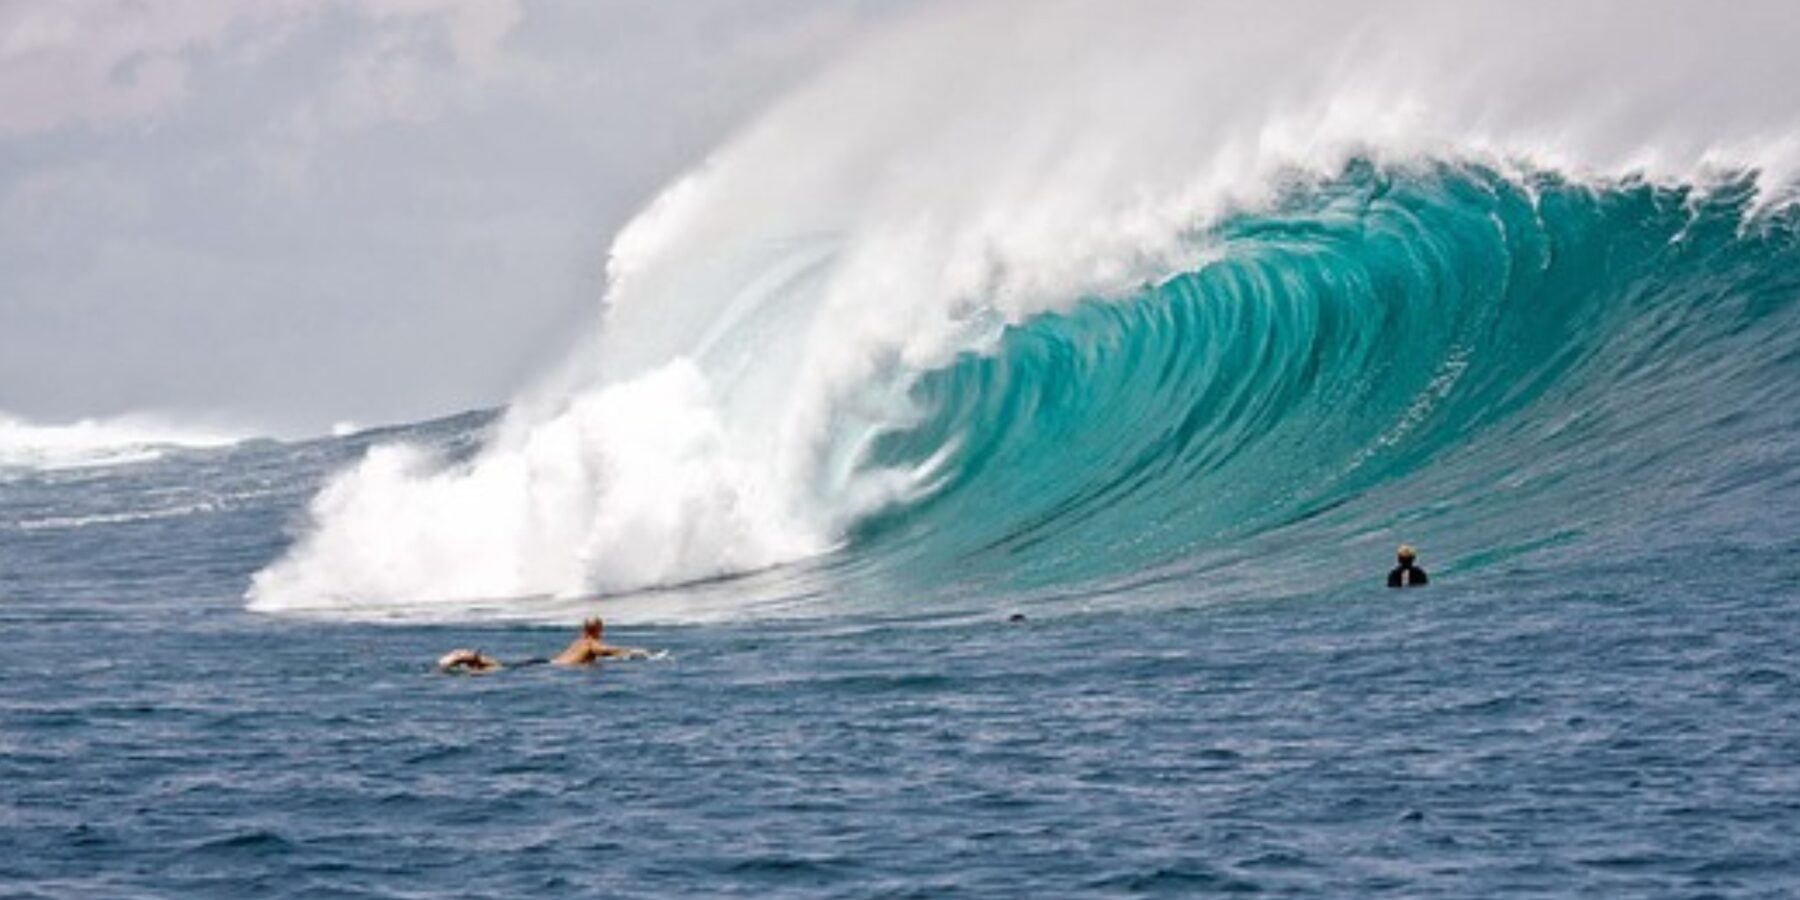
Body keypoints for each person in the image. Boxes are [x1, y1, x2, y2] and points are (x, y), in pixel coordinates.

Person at [551, 616, 650, 666]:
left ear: (585, 628)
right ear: (599, 629)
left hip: (552, 663)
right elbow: (606, 651)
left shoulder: (577, 642)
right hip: (561, 667)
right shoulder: (591, 643)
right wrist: (635, 652)